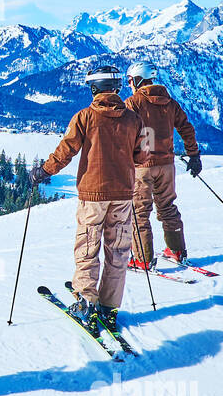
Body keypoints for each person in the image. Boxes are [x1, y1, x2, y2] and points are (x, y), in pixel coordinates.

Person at [30, 66, 147, 334]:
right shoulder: (134, 120)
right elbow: (142, 156)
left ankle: (86, 302)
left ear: (94, 88)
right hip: (123, 194)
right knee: (118, 251)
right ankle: (109, 307)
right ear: (116, 88)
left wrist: (43, 171)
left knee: (88, 247)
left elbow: (66, 150)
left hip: (93, 194)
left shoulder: (84, 117)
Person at [124, 63, 202, 268]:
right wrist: (194, 155)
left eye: (130, 80)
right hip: (167, 165)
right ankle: (177, 251)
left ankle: (142, 259)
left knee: (139, 212)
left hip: (142, 166)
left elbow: (122, 134)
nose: (129, 84)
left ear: (138, 80)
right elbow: (186, 128)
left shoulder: (133, 103)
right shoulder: (170, 102)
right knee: (167, 207)